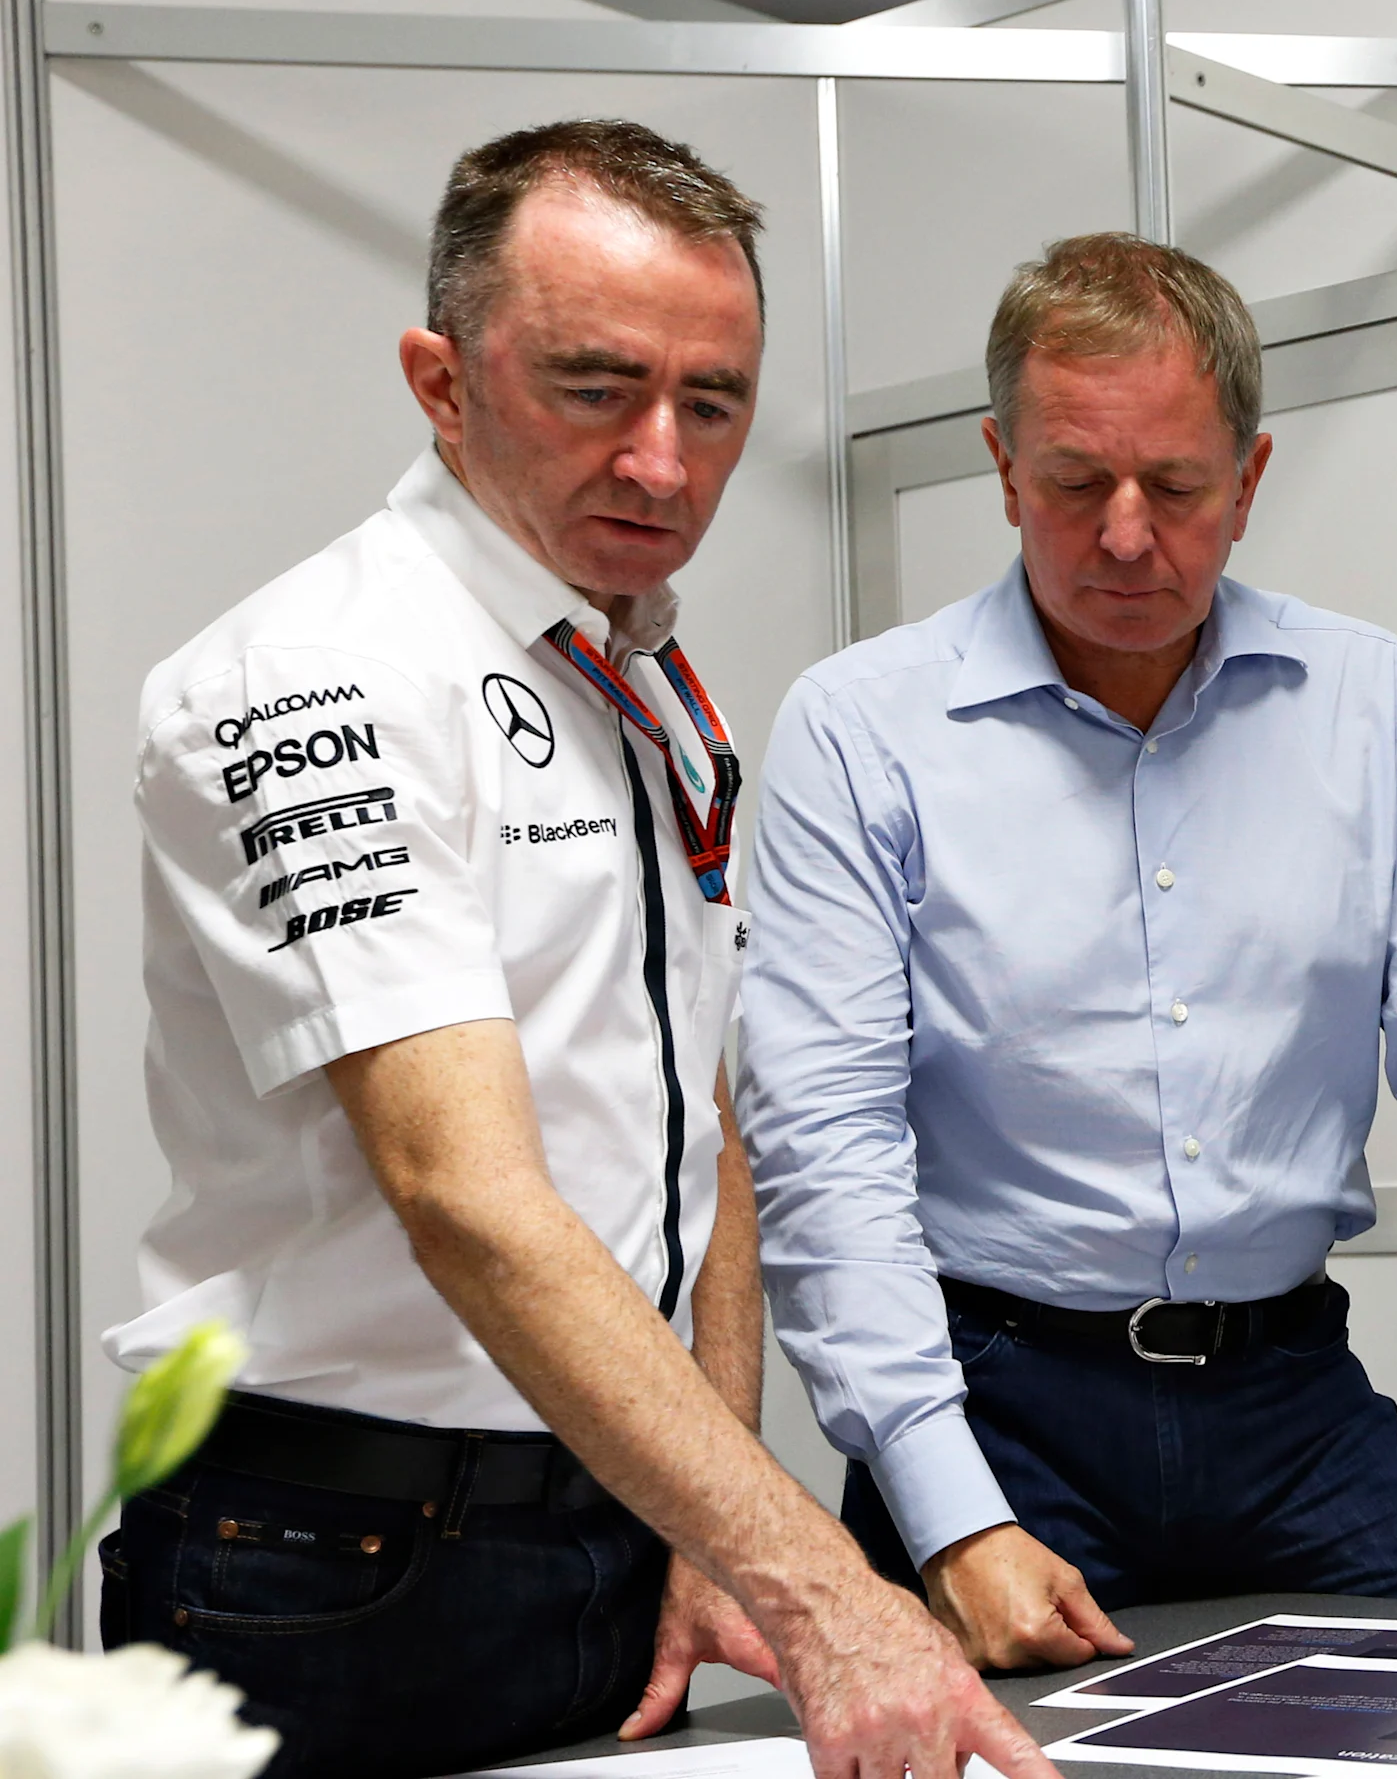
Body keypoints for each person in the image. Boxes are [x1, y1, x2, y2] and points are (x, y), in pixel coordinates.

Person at [101, 121, 1046, 1778]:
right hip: (330, 1562)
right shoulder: (319, 680)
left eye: (713, 403)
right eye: (597, 389)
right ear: (441, 381)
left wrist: (707, 1522)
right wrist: (822, 1585)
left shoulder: (633, 676)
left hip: (610, 1525)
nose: (663, 464)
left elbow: (697, 1117)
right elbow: (464, 1193)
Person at [736, 233, 1397, 1672]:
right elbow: (827, 1151)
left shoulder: (1365, 703)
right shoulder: (862, 730)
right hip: (996, 1404)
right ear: (1002, 468)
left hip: (1291, 1401)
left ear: (1250, 480)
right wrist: (950, 1518)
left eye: (1179, 486)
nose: (1128, 537)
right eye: (1076, 483)